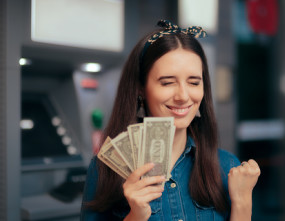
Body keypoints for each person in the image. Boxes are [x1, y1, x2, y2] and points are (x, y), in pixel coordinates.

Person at [81, 20, 260, 221]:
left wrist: (243, 201)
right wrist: (136, 215)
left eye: (194, 82)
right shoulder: (104, 171)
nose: (183, 96)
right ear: (141, 88)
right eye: (167, 82)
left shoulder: (227, 166)